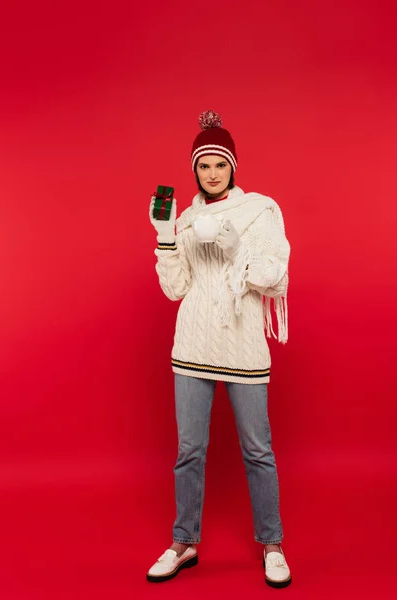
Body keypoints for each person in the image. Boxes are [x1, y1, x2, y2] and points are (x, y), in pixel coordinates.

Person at [146, 110, 292, 588]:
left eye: (220, 164)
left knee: (258, 449)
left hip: (245, 347)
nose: (212, 173)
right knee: (189, 450)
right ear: (194, 170)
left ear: (233, 167)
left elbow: (276, 277)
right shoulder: (186, 219)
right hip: (191, 345)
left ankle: (272, 545)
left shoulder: (261, 211)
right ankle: (183, 542)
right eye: (204, 165)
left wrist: (236, 253)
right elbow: (176, 289)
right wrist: (166, 236)